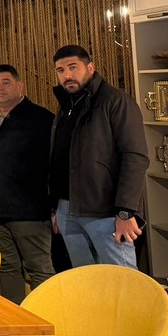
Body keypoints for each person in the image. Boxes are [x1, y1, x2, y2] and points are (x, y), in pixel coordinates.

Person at [51, 44, 148, 268]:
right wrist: (56, 206)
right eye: (61, 70)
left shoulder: (115, 100)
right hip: (67, 208)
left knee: (121, 279)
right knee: (87, 280)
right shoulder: (66, 106)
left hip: (106, 211)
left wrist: (125, 212)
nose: (67, 75)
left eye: (73, 67)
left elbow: (135, 157)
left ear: (90, 68)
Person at [0, 64, 55, 304]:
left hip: (30, 211)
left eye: (5, 82)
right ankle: (15, 318)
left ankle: (45, 316)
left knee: (39, 268)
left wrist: (55, 206)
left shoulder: (41, 119)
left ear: (20, 85)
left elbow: (54, 165)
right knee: (7, 266)